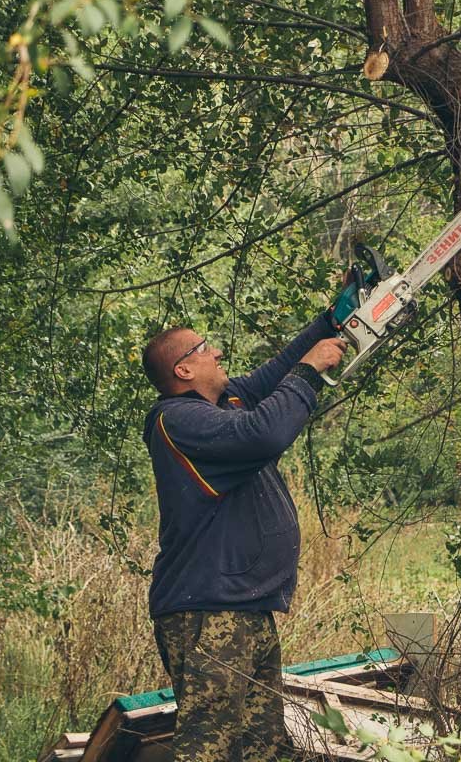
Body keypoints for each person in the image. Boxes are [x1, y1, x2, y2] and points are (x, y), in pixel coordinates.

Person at [140, 308, 346, 762]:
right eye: (203, 348)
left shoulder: (225, 401)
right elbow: (263, 434)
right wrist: (310, 371)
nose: (217, 351)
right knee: (207, 747)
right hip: (209, 612)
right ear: (184, 369)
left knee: (263, 748)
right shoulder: (178, 420)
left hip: (244, 608)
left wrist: (332, 320)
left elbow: (276, 375)